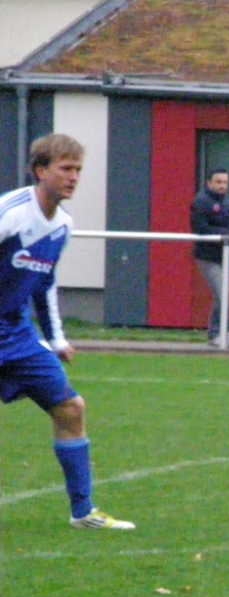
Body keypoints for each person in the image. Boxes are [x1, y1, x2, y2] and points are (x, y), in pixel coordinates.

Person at [0, 133, 134, 530]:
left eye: (77, 169)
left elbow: (44, 283)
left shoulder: (62, 226)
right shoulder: (11, 212)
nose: (74, 177)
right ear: (40, 171)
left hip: (17, 333)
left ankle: (83, 513)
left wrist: (56, 339)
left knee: (70, 409)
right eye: (65, 168)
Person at [190, 167, 229, 347]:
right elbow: (200, 228)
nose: (222, 186)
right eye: (218, 182)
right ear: (209, 183)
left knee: (222, 294)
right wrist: (225, 233)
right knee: (222, 293)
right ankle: (228, 331)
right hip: (208, 256)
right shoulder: (201, 201)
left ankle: (215, 333)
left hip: (228, 254)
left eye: (225, 182)